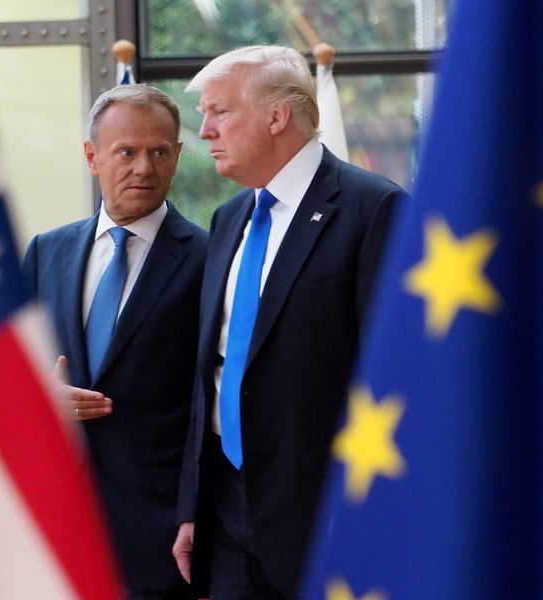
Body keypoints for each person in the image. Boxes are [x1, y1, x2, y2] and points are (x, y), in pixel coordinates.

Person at [171, 46, 408, 599]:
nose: (204, 132)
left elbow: (394, 378)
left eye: (219, 112)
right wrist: (192, 506)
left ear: (277, 117)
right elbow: (212, 371)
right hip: (226, 512)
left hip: (323, 510)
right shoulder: (229, 217)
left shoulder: (374, 208)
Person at [23, 84, 207, 600]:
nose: (143, 168)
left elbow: (210, 399)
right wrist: (42, 399)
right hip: (56, 521)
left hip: (161, 535)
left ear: (176, 156)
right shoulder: (46, 253)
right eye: (126, 152)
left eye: (159, 152)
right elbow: (5, 379)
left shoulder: (211, 259)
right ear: (92, 157)